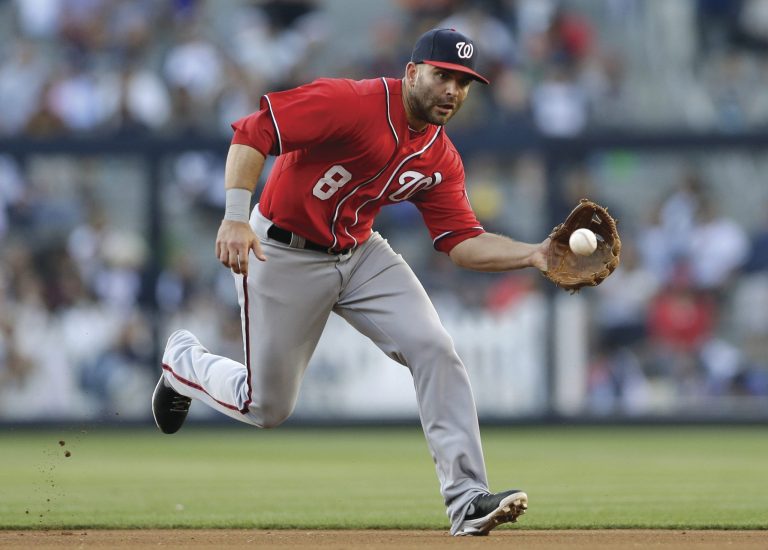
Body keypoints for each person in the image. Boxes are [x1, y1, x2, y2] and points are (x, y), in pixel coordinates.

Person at [152, 28, 549, 536]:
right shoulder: (351, 102)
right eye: (442, 75)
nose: (452, 90)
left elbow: (461, 241)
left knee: (434, 348)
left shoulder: (439, 155)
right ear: (412, 72)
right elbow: (254, 130)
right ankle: (182, 362)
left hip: (360, 253)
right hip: (283, 251)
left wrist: (534, 254)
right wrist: (233, 215)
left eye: (464, 82)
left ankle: (468, 498)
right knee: (267, 406)